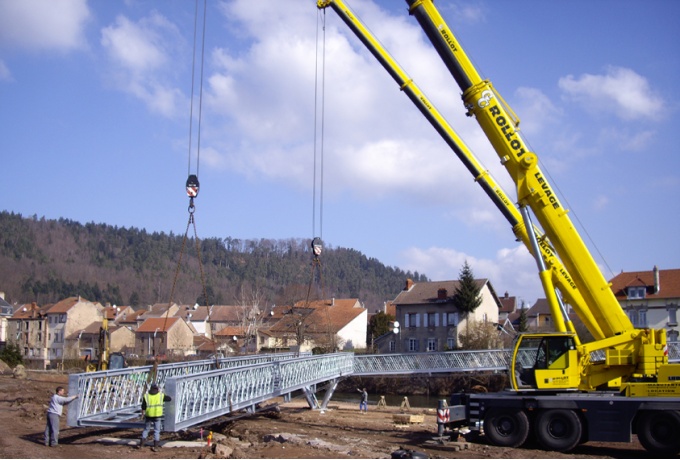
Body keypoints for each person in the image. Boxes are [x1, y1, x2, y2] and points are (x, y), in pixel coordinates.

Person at [138, 383, 172, 452]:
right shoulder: (160, 395)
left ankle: (141, 444)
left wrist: (142, 414)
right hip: (157, 415)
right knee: (157, 431)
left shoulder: (146, 396)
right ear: (157, 389)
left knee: (146, 429)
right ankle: (156, 446)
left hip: (148, 415)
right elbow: (169, 399)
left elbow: (143, 407)